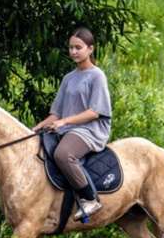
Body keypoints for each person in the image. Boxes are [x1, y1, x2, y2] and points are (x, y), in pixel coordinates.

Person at [33, 27, 112, 220]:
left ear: (90, 49)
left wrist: (64, 121)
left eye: (78, 47)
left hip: (89, 130)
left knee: (63, 154)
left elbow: (95, 111)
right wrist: (36, 128)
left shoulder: (97, 76)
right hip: (68, 129)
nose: (73, 52)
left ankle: (90, 199)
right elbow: (56, 114)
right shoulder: (69, 78)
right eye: (70, 48)